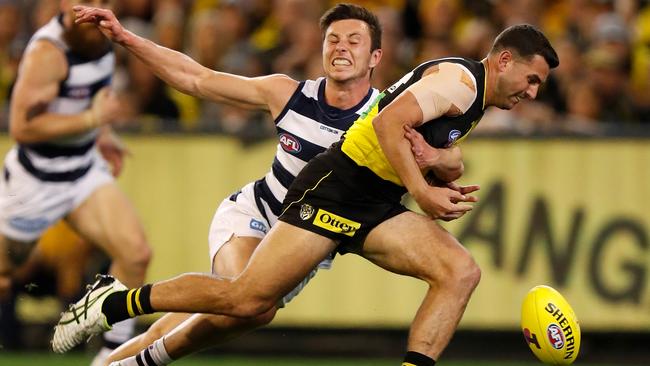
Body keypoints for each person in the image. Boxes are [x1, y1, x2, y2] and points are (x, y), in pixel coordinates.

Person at [54, 13, 558, 366]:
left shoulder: (434, 96)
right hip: (282, 205)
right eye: (332, 40)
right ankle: (115, 311)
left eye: (353, 41)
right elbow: (197, 79)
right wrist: (127, 39)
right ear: (506, 60)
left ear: (376, 57)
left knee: (460, 271)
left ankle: (122, 332)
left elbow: (424, 137)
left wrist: (443, 161)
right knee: (241, 301)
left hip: (361, 205)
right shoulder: (289, 93)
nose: (340, 48)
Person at [0, 0, 152, 363]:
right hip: (35, 181)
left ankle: (112, 358)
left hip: (82, 172)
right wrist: (91, 120)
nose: (94, 8)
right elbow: (22, 127)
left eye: (103, 1)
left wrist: (101, 135)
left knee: (135, 254)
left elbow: (85, 99)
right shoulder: (47, 52)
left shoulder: (103, 38)